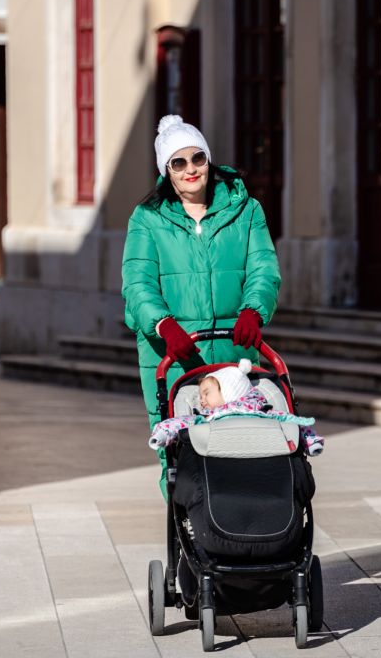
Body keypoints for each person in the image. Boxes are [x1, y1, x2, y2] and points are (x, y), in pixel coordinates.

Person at [121, 114, 282, 497]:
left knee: (245, 447)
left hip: (233, 347)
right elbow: (137, 282)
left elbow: (264, 267)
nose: (191, 169)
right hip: (173, 353)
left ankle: (247, 531)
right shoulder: (146, 219)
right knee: (180, 454)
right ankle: (191, 533)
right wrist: (162, 324)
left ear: (209, 161)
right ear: (166, 171)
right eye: (179, 162)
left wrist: (253, 309)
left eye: (198, 158)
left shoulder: (247, 210)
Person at [147, 359, 325, 455]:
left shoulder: (263, 412)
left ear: (229, 390)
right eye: (201, 396)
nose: (201, 401)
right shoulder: (207, 416)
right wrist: (162, 433)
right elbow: (180, 422)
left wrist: (311, 441)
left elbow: (293, 424)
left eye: (206, 393)